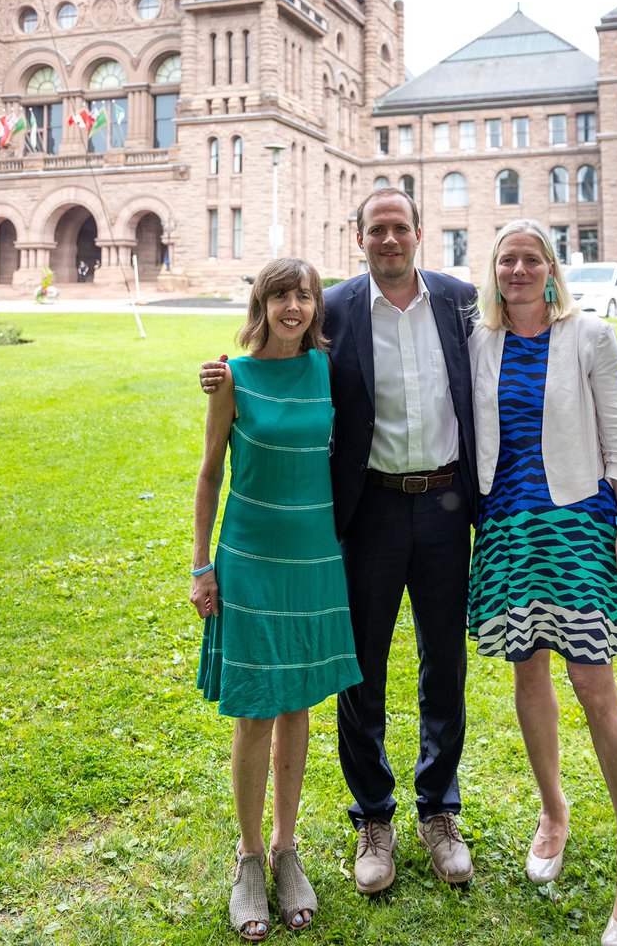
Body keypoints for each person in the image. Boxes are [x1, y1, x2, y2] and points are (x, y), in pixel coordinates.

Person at [201, 190, 478, 896]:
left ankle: (439, 811)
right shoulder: (342, 309)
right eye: (375, 229)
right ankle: (374, 820)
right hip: (371, 510)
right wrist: (221, 374)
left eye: (399, 228)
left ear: (420, 232)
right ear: (357, 236)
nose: (389, 239)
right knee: (362, 672)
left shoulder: (460, 301)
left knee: (443, 663)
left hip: (447, 506)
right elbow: (275, 356)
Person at [468, 220, 617, 946]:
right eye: (507, 260)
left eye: (531, 258)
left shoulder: (590, 338)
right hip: (507, 528)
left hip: (578, 521)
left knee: (593, 682)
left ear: (552, 268)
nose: (518, 269)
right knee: (528, 675)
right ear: (494, 271)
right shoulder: (479, 341)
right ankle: (553, 811)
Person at [190, 257, 362, 941]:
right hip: (250, 559)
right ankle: (249, 857)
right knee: (256, 710)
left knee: (298, 706)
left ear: (317, 305)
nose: (295, 306)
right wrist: (202, 566)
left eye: (306, 296)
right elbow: (209, 476)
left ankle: (289, 850)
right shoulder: (232, 376)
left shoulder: (327, 369)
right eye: (282, 296)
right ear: (262, 303)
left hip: (313, 559)